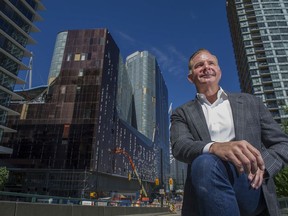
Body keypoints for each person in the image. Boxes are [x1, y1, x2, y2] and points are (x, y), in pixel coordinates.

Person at [170, 48, 288, 216]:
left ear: (219, 71)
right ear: (190, 78)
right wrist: (214, 147)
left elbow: (283, 144)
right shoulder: (181, 113)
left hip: (250, 183)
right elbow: (180, 146)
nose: (206, 67)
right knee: (205, 163)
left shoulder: (251, 102)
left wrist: (263, 166)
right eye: (199, 65)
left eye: (211, 63)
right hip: (206, 184)